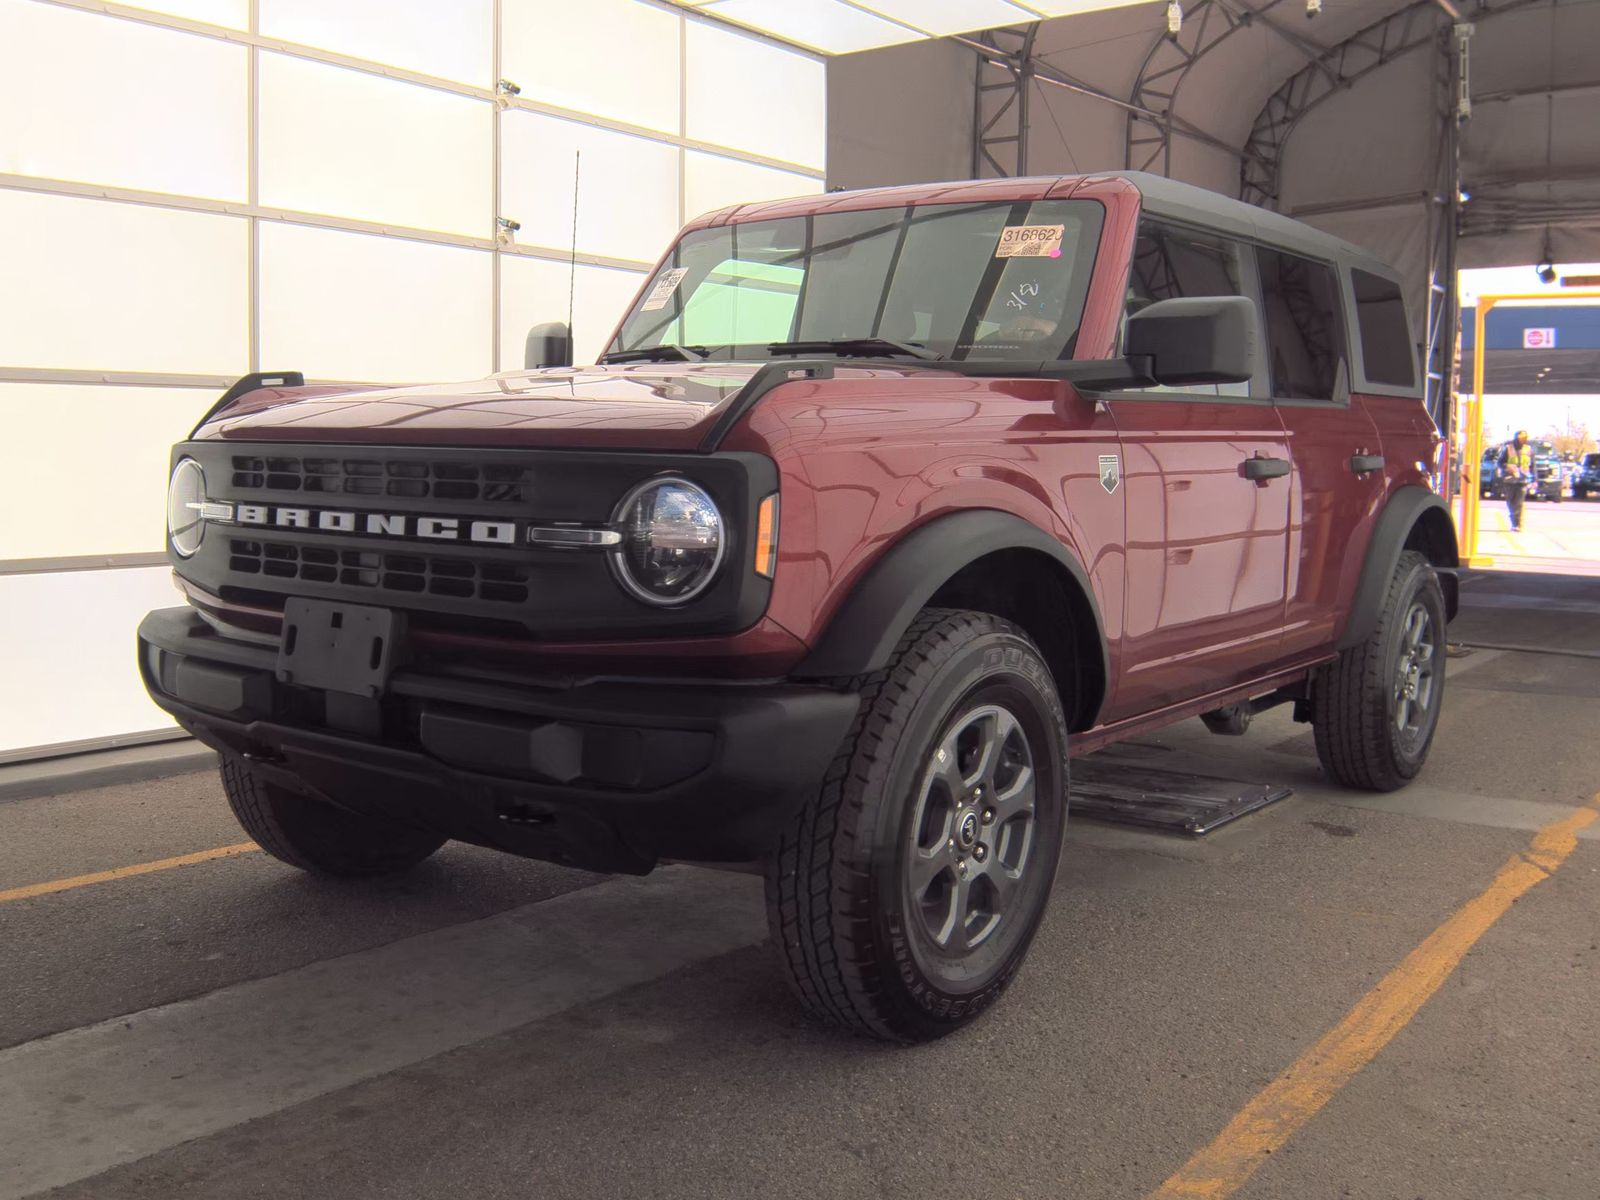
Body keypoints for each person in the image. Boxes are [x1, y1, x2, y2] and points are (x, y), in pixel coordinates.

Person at [1498, 429, 1534, 532]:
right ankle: (1514, 521)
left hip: (1523, 481)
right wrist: (1507, 467)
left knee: (1519, 503)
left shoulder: (1529, 450)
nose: (1522, 440)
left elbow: (1533, 466)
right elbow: (1499, 463)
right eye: (1520, 438)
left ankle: (1517, 524)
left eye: (1524, 438)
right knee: (1510, 502)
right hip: (1510, 480)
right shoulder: (1508, 449)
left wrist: (1535, 480)